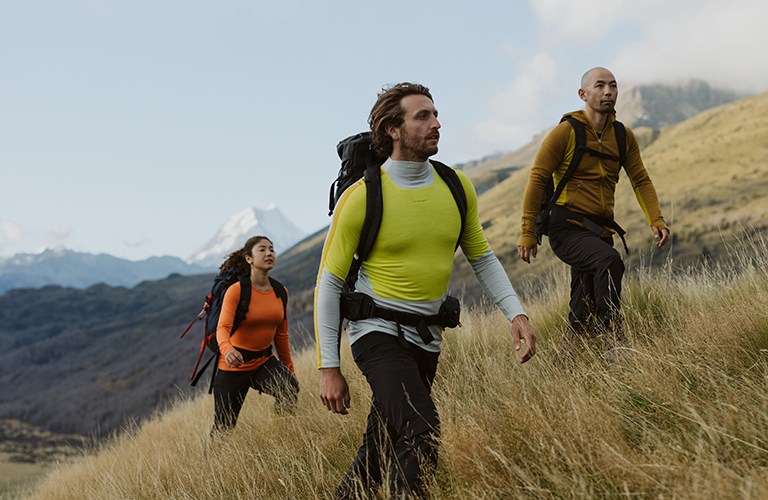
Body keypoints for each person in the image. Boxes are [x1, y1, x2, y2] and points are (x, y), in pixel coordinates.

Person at [315, 82, 536, 498]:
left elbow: (483, 257)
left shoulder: (456, 187)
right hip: (375, 334)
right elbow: (327, 283)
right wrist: (329, 367)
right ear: (393, 129)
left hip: (428, 337)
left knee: (380, 448)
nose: (436, 123)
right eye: (423, 116)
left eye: (435, 114)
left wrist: (516, 313)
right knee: (422, 430)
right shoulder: (362, 197)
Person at [517, 67, 670, 355]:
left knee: (583, 305)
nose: (608, 91)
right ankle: (613, 338)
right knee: (609, 261)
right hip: (566, 226)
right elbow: (538, 177)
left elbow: (641, 180)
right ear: (583, 94)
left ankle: (566, 361)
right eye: (599, 86)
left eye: (613, 86)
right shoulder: (566, 132)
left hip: (600, 230)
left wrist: (656, 219)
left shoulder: (623, 137)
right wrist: (528, 232)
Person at [211, 235, 299, 432]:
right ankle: (210, 462)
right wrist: (227, 350)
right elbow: (223, 328)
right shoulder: (236, 291)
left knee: (289, 388)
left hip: (263, 362)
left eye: (272, 249)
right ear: (248, 258)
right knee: (223, 428)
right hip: (233, 366)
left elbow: (281, 335)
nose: (269, 253)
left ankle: (282, 435)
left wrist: (288, 368)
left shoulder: (280, 292)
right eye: (262, 249)